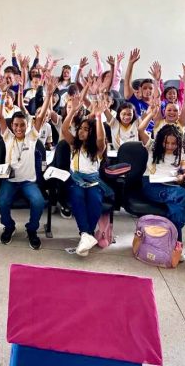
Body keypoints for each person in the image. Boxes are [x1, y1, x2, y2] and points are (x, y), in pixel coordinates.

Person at [0, 75, 55, 249]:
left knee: (39, 202)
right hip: (10, 181)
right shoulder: (7, 138)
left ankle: (32, 229)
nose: (19, 128)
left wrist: (49, 95)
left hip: (29, 182)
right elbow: (0, 117)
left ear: (26, 125)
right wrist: (3, 94)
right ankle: (9, 226)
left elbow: (40, 118)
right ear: (12, 126)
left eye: (22, 125)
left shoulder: (32, 137)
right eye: (16, 125)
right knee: (1, 202)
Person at [139, 124, 185, 258]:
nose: (169, 146)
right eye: (166, 142)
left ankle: (176, 247)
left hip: (171, 186)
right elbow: (140, 130)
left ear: (179, 143)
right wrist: (151, 114)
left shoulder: (181, 153)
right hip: (152, 185)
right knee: (183, 193)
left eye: (173, 143)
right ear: (161, 140)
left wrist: (182, 177)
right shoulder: (152, 147)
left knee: (176, 209)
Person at [61, 93, 111, 257]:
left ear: (92, 133)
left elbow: (101, 138)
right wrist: (72, 111)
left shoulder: (97, 149)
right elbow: (64, 129)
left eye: (86, 130)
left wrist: (98, 117)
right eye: (80, 129)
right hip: (76, 181)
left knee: (95, 201)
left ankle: (86, 235)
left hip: (93, 182)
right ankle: (86, 234)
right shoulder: (74, 145)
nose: (81, 132)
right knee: (77, 198)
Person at [123, 48, 154, 132]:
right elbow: (127, 83)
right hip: (137, 132)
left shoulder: (158, 105)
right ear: (140, 90)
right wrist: (131, 64)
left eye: (150, 88)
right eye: (145, 88)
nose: (148, 90)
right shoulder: (135, 101)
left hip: (154, 133)